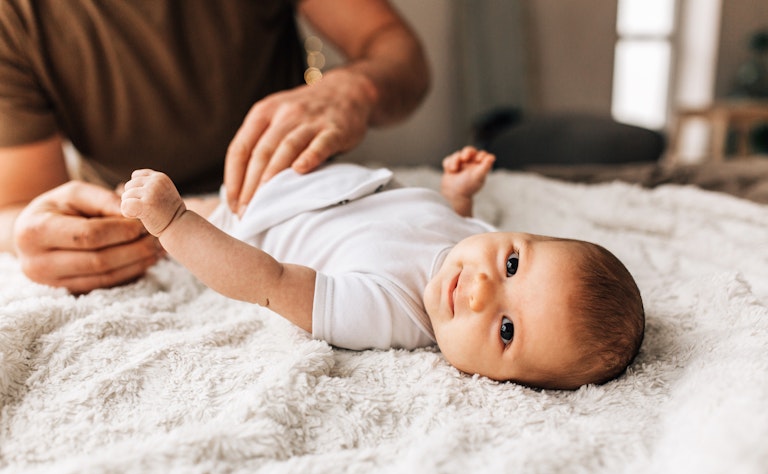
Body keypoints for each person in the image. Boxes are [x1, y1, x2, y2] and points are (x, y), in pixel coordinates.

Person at [120, 146, 645, 390]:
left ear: (505, 382)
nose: (482, 290)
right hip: (300, 174)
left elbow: (268, 282)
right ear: (517, 240)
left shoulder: (389, 312)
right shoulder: (473, 240)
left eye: (506, 330)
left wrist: (175, 222)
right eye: (512, 263)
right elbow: (444, 225)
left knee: (122, 214)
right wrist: (455, 196)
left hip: (248, 222)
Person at [0, 0, 429, 293]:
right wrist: (28, 235)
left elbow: (401, 55)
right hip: (143, 246)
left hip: (303, 205)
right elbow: (17, 205)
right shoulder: (13, 16)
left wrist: (357, 88)